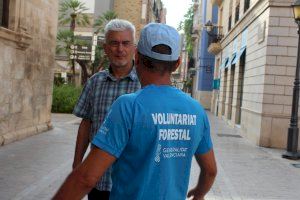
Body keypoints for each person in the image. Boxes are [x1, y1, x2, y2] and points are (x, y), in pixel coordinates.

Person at [53, 23, 217, 200]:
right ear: (177, 64)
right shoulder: (196, 110)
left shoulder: (128, 105)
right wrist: (199, 194)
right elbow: (210, 171)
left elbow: (86, 178)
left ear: (137, 56)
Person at [72, 19, 140, 200]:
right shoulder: (95, 82)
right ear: (105, 47)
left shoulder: (145, 84)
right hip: (98, 181)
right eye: (114, 43)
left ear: (134, 47)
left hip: (132, 183)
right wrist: (77, 165)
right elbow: (86, 124)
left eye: (125, 43)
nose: (120, 49)